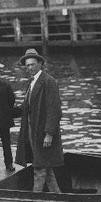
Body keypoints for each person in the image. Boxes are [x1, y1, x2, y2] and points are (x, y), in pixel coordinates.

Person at [15, 48, 64, 192]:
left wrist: (49, 133)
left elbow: (54, 110)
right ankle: (58, 195)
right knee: (44, 166)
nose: (30, 67)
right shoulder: (32, 82)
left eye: (33, 64)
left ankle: (35, 197)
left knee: (39, 168)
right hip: (33, 130)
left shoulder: (48, 81)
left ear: (40, 64)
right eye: (27, 65)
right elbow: (27, 106)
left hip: (42, 132)